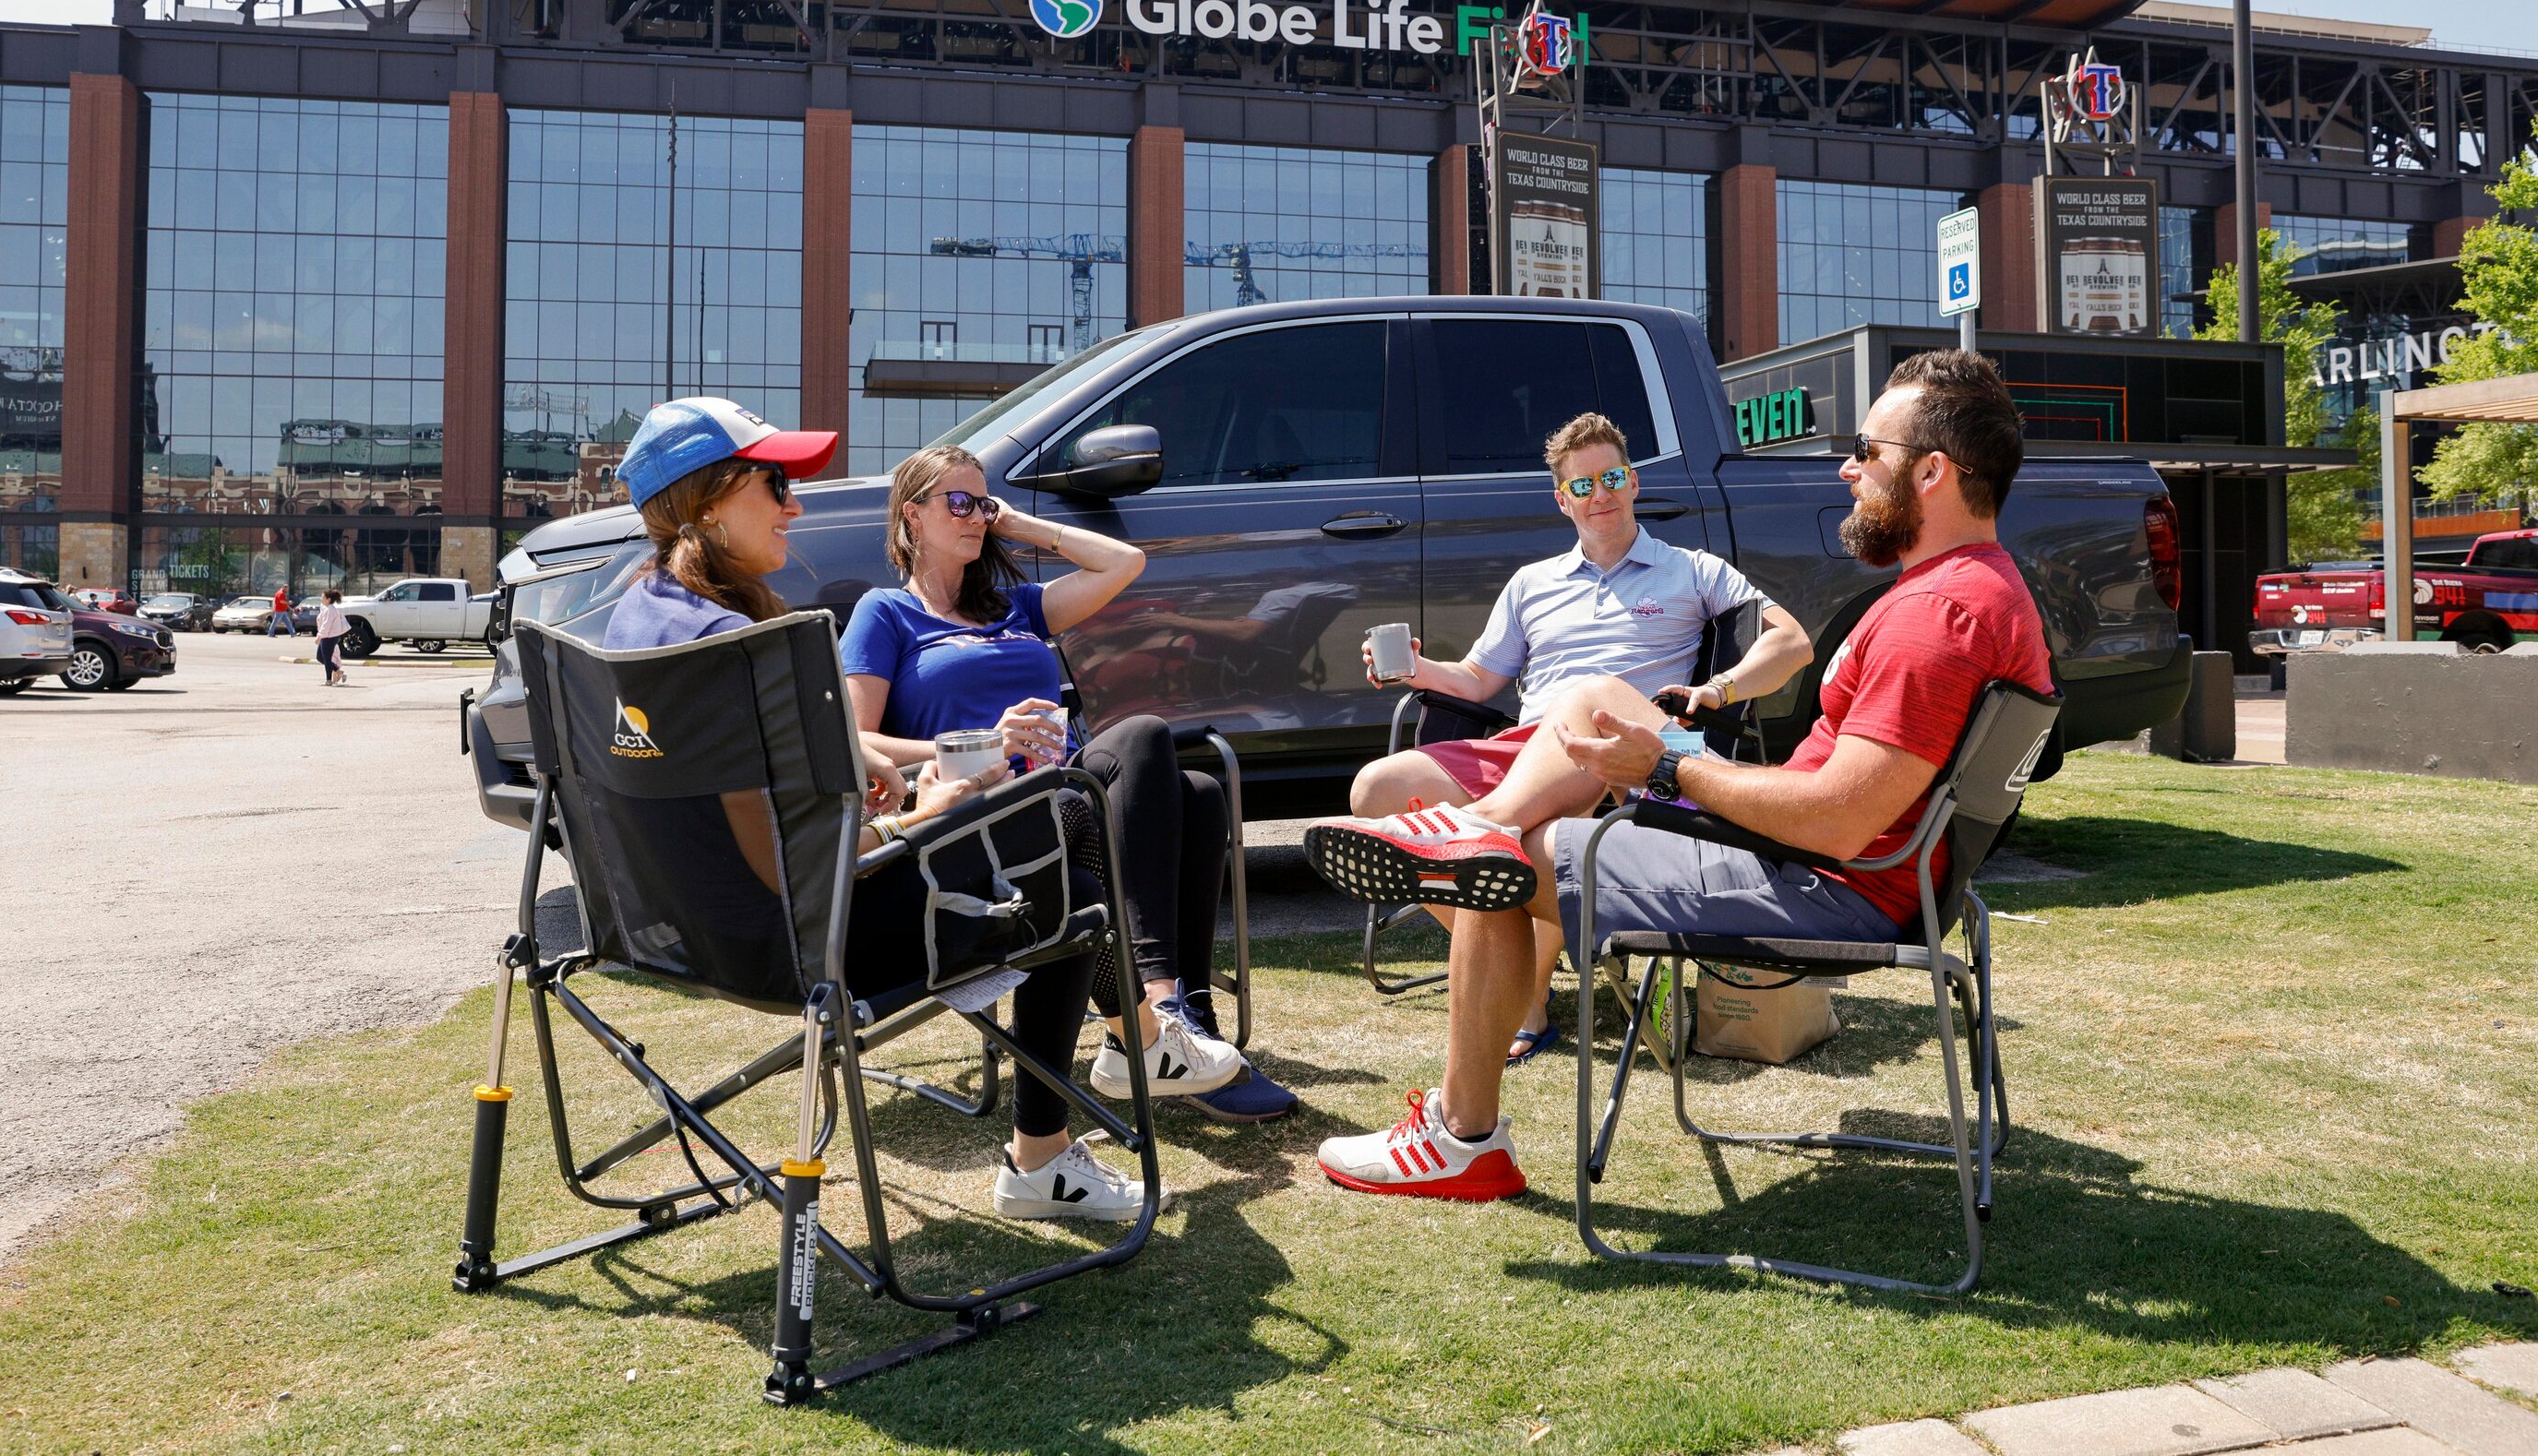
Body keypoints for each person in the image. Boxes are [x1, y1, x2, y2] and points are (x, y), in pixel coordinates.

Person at [1308, 351, 2053, 1199]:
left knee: (1505, 860)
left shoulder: (1937, 616)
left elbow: (1841, 824)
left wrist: (1669, 764)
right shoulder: (1982, 592)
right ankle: (1477, 850)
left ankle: (1463, 1137)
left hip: (1822, 882)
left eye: (1865, 449)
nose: (1846, 469)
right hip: (1856, 871)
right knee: (1562, 747)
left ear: (1930, 472)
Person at [606, 397, 1147, 1222]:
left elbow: (749, 801)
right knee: (1066, 866)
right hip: (806, 945)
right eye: (774, 484)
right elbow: (788, 867)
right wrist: (918, 819)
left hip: (690, 934)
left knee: (1073, 813)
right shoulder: (741, 649)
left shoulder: (640, 620)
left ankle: (1144, 1037)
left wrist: (870, 771)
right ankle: (1052, 1143)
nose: (794, 507)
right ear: (707, 500)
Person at [1311, 412, 1813, 1064]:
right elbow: (1477, 679)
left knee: (1555, 768)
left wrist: (1719, 690)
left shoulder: (1693, 569)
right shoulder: (1532, 584)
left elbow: (1792, 643)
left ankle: (1520, 981)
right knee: (1379, 787)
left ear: (1633, 482)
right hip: (1527, 744)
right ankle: (1501, 930)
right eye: (1583, 485)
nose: (1600, 495)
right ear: (1562, 499)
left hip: (1639, 749)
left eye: (1612, 478)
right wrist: (1414, 667)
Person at [841, 442, 1298, 1125]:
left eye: (983, 502)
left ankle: (1183, 1016)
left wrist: (1016, 524)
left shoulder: (1017, 606)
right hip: (988, 814)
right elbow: (857, 739)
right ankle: (1158, 1011)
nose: (975, 515)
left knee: (1198, 793)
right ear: (912, 516)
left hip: (1063, 793)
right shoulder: (888, 614)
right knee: (1142, 734)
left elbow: (1124, 562)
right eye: (958, 503)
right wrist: (980, 742)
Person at [313, 590, 349, 686]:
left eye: (323, 597)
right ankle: (338, 671)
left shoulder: (330, 610)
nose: (321, 599)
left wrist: (319, 636)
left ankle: (328, 680)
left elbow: (326, 625)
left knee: (326, 658)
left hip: (329, 637)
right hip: (327, 636)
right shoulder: (327, 608)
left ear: (328, 599)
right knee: (320, 657)